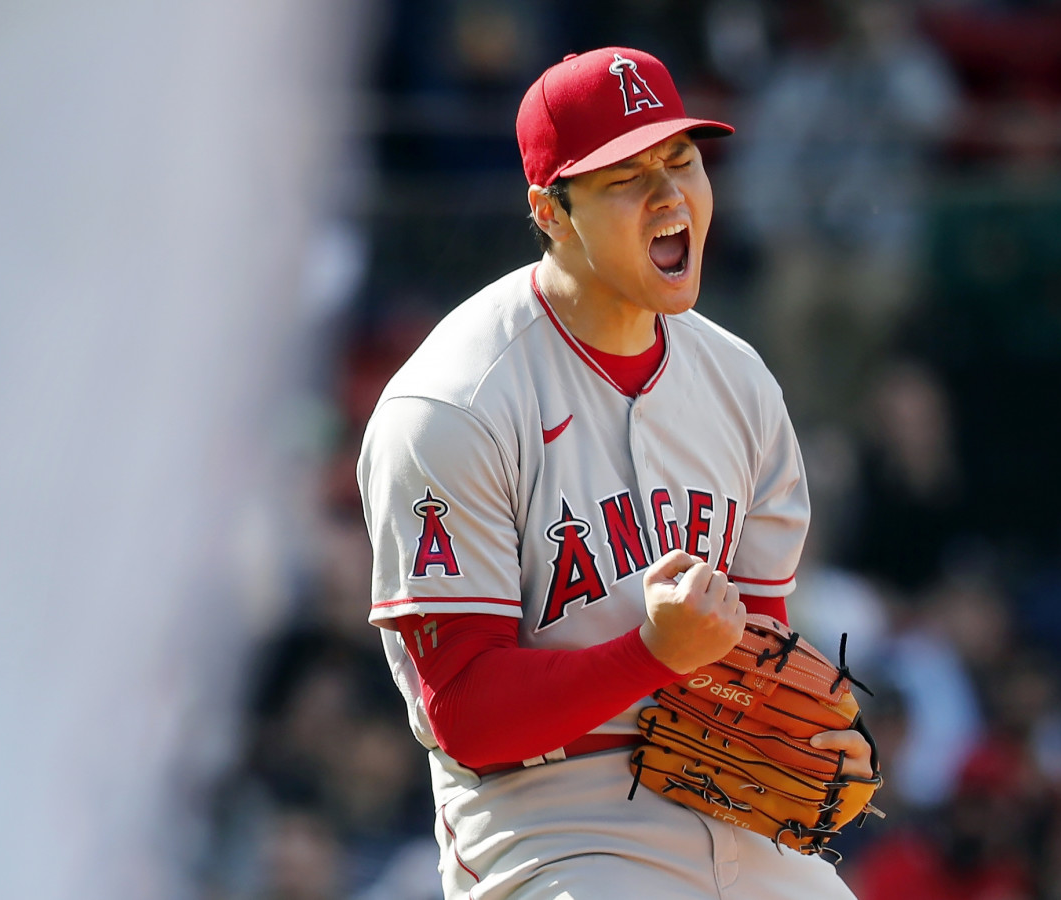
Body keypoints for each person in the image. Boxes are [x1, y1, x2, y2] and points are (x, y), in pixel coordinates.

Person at [357, 46, 874, 900]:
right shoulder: (453, 405)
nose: (671, 196)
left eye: (682, 160)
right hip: (552, 820)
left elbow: (755, 653)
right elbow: (468, 714)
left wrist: (814, 734)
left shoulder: (739, 383)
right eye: (625, 178)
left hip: (723, 793)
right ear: (550, 211)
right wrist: (650, 654)